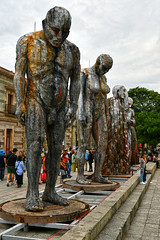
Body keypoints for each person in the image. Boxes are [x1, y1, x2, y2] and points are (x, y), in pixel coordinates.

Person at [14, 6, 80, 211]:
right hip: (36, 100)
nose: (60, 36)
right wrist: (19, 102)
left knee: (57, 148)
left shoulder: (72, 50)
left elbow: (76, 79)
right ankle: (32, 193)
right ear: (45, 24)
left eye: (65, 32)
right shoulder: (27, 42)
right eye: (56, 30)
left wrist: (74, 105)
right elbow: (19, 73)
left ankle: (50, 191)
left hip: (60, 105)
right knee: (34, 145)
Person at [76, 54, 113, 184]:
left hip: (100, 113)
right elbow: (80, 94)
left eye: (108, 69)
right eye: (104, 68)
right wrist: (80, 112)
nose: (105, 71)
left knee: (102, 145)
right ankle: (80, 175)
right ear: (98, 63)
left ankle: (98, 174)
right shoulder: (85, 73)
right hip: (86, 110)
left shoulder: (103, 78)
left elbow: (103, 98)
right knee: (83, 145)